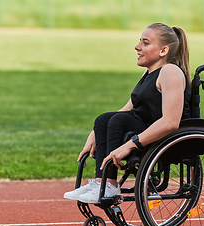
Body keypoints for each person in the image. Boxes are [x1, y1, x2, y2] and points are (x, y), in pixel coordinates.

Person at [64, 22, 191, 204]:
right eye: (140, 42)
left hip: (162, 135)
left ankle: (109, 185)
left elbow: (171, 122)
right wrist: (95, 134)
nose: (137, 47)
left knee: (118, 121)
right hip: (144, 127)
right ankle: (101, 182)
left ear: (163, 51)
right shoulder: (149, 73)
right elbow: (126, 109)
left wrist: (129, 145)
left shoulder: (170, 72)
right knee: (104, 119)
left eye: (145, 43)